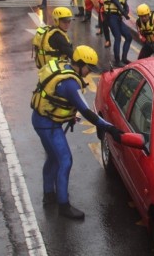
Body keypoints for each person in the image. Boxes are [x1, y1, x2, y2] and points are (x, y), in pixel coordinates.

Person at [31, 45, 124, 219]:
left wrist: (68, 117)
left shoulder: (64, 67)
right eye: (89, 68)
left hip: (42, 119)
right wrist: (110, 128)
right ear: (80, 64)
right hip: (48, 125)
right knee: (65, 160)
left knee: (53, 158)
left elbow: (58, 100)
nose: (89, 72)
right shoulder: (70, 83)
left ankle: (48, 195)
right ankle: (63, 205)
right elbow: (87, 112)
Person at [104, 0, 132, 67]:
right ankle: (117, 60)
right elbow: (116, 2)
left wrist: (126, 12)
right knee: (118, 37)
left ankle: (124, 58)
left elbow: (126, 5)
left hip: (118, 17)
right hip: (111, 17)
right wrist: (123, 12)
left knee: (128, 36)